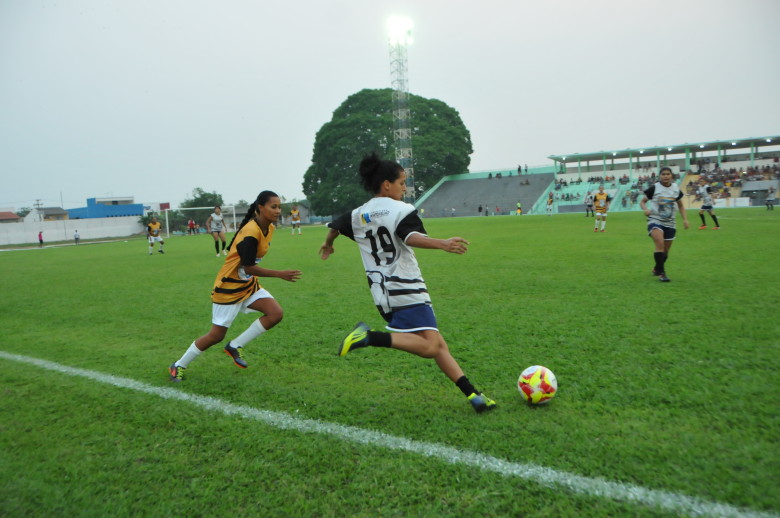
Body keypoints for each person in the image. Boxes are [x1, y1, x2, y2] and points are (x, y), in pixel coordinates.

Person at [318, 152, 496, 413]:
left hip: (381, 293)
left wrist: (328, 243)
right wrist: (442, 243)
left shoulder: (358, 214)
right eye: (402, 182)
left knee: (437, 344)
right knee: (431, 346)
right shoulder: (401, 210)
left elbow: (335, 226)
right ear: (386, 184)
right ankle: (368, 337)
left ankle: (473, 395)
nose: (405, 188)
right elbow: (410, 237)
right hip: (407, 287)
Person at [168, 191, 301, 382]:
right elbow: (249, 266)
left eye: (279, 207)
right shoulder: (250, 232)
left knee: (275, 313)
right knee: (215, 335)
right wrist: (279, 274)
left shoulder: (269, 227)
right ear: (260, 208)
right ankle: (179, 365)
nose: (278, 211)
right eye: (274, 206)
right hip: (229, 287)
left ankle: (235, 345)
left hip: (247, 284)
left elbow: (248, 269)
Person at [639, 167, 689, 283]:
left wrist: (685, 219)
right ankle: (662, 273)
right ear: (659, 176)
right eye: (663, 174)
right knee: (660, 243)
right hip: (655, 220)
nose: (665, 176)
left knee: (665, 252)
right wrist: (645, 209)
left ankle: (657, 268)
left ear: (671, 176)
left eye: (668, 174)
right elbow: (642, 201)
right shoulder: (655, 188)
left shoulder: (675, 189)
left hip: (670, 223)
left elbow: (680, 205)